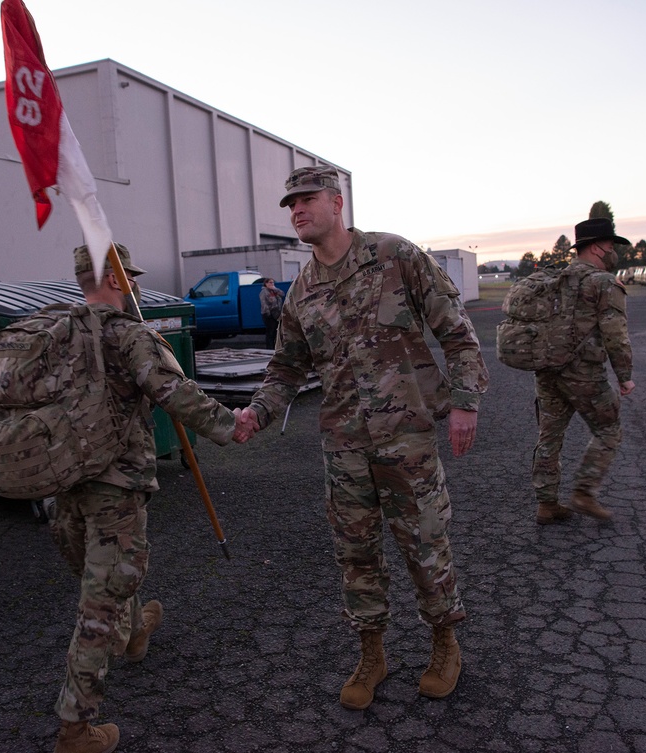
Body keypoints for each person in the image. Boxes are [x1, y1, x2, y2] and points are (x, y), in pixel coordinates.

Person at [236, 166, 488, 710]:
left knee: (424, 544)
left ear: (336, 201)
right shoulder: (302, 291)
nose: (296, 211)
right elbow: (286, 368)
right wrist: (257, 412)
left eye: (305, 200)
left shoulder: (395, 255)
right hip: (344, 446)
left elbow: (457, 332)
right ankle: (372, 652)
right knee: (355, 554)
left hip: (408, 440)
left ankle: (445, 643)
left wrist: (465, 403)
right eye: (290, 205)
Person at [51, 243, 244, 753]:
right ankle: (74, 728)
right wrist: (232, 425)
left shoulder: (52, 331)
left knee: (107, 577)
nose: (134, 285)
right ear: (115, 280)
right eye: (129, 278)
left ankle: (136, 631)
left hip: (62, 482)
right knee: (100, 600)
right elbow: (176, 395)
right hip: (116, 487)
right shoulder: (129, 334)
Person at [531, 218, 635, 525]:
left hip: (547, 370)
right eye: (611, 245)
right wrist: (624, 375)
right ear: (597, 247)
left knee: (549, 437)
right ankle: (584, 493)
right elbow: (616, 334)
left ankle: (547, 505)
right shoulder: (603, 282)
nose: (614, 251)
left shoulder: (555, 279)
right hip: (583, 373)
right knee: (609, 429)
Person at [259, 277, 284, 349]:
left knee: (276, 331)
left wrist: (275, 289)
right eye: (270, 282)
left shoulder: (275, 291)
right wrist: (268, 313)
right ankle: (269, 347)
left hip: (277, 313)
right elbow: (264, 303)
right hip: (269, 314)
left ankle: (276, 346)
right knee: (270, 331)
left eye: (272, 282)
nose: (271, 284)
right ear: (266, 284)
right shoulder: (264, 292)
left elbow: (282, 294)